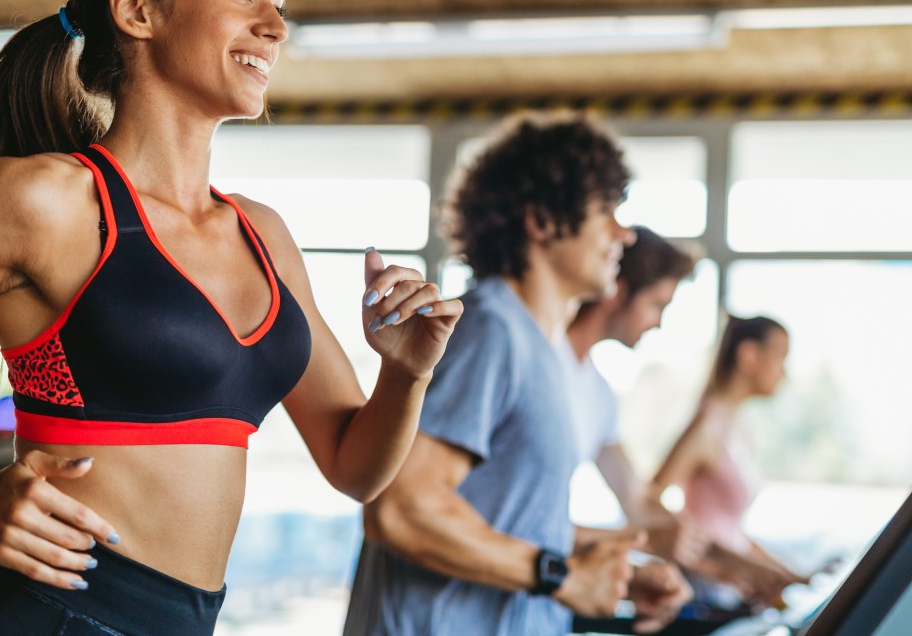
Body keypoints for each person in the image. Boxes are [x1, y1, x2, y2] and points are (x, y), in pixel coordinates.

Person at [0, 0, 462, 634]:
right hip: (54, 613)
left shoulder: (263, 235)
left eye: (281, 2)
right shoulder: (39, 201)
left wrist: (406, 372)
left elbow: (352, 465)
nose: (275, 26)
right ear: (137, 10)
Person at [344, 112, 690, 636]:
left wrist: (610, 572)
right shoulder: (491, 328)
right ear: (543, 221)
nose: (623, 233)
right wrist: (561, 577)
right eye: (606, 211)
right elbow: (402, 510)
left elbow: (502, 520)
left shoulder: (539, 347)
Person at [563, 226, 705, 566]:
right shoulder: (538, 363)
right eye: (656, 304)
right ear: (617, 291)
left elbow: (636, 499)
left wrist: (729, 564)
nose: (657, 324)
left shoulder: (598, 391)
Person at [652, 314, 807, 605]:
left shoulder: (737, 427)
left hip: (731, 589)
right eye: (780, 357)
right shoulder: (707, 425)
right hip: (703, 592)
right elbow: (649, 502)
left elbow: (731, 531)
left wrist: (793, 576)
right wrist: (710, 566)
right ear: (748, 354)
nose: (784, 373)